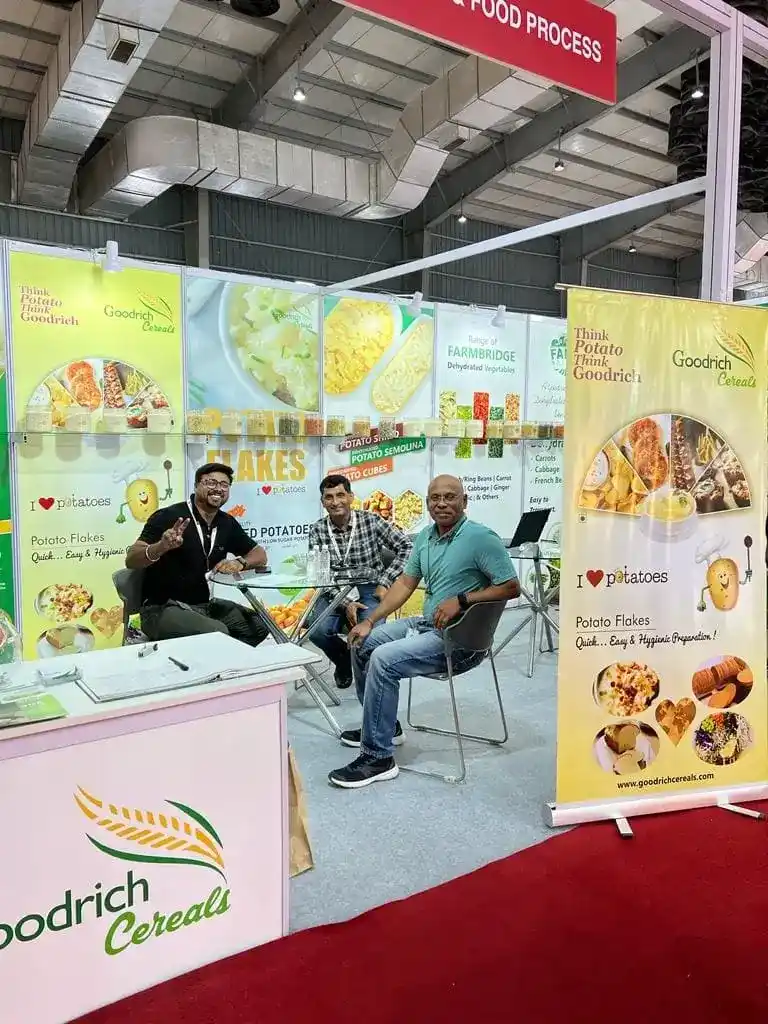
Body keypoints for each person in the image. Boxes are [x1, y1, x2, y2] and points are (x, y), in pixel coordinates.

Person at [328, 474, 519, 789]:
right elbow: (405, 583)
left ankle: (378, 757)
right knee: (363, 643)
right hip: (428, 626)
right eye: (435, 498)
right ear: (428, 502)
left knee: (383, 660)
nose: (441, 504)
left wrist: (463, 599)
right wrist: (370, 620)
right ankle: (384, 728)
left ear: (464, 501)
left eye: (450, 497)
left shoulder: (481, 538)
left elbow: (511, 586)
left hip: (460, 641)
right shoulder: (426, 537)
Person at [125, 462, 269, 646]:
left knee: (259, 625)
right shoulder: (169, 516)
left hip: (204, 605)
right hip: (161, 608)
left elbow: (260, 554)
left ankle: (220, 667)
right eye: (211, 483)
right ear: (196, 486)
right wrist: (161, 546)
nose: (218, 489)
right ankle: (208, 666)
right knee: (218, 634)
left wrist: (241, 562)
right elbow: (131, 559)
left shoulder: (226, 522)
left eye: (224, 485)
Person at [307, 474, 412, 688]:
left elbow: (407, 547)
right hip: (334, 589)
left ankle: (370, 681)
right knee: (316, 631)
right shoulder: (317, 530)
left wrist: (386, 581)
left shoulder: (370, 521)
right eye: (329, 497)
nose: (335, 502)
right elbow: (320, 575)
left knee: (372, 635)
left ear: (351, 497)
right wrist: (346, 603)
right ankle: (342, 659)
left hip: (370, 587)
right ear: (322, 502)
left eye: (340, 495)